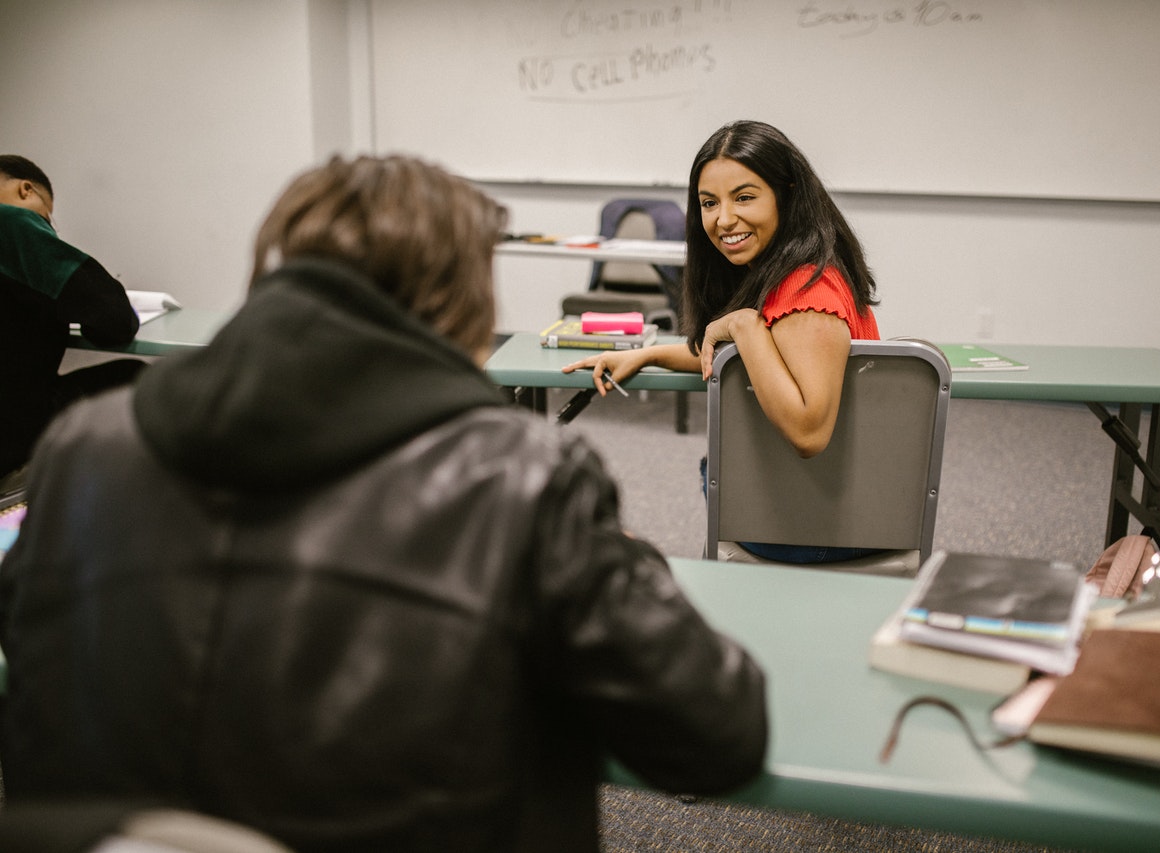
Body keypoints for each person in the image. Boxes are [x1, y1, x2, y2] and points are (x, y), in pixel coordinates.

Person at [0, 155, 768, 852]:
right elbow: (716, 734)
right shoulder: (524, 476)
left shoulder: (83, 445)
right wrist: (621, 557)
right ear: (462, 299)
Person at [563, 120, 881, 563]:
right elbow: (760, 362)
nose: (724, 219)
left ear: (787, 195)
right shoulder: (789, 274)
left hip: (812, 524)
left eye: (745, 197)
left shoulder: (808, 293)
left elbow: (809, 432)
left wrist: (745, 325)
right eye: (709, 203)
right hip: (817, 509)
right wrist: (650, 353)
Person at [0, 155, 144, 480]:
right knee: (135, 377)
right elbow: (116, 320)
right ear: (26, 191)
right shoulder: (11, 225)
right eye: (46, 218)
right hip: (11, 432)